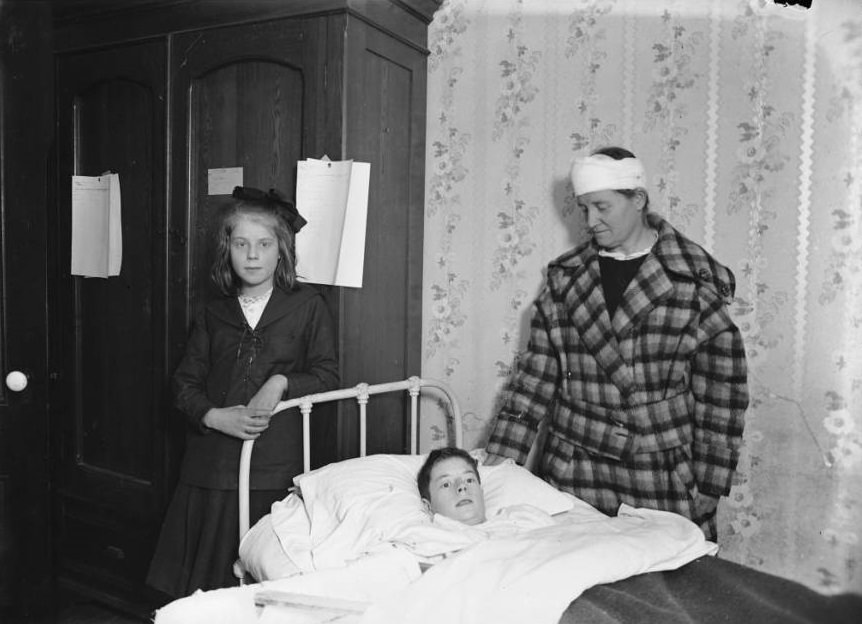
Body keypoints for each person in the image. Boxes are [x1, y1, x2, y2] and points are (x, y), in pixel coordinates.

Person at [485, 147, 749, 541]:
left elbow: (721, 395)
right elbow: (535, 377)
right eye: (583, 208)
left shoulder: (693, 284)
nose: (591, 221)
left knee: (664, 589)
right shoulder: (565, 279)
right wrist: (501, 461)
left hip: (658, 471)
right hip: (572, 466)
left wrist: (709, 484)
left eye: (602, 207)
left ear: (638, 199)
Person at [147, 186, 339, 597]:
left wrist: (280, 382)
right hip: (212, 466)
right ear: (227, 250)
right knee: (208, 587)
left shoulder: (308, 305)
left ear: (281, 250)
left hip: (275, 463)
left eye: (264, 244)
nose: (252, 256)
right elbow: (183, 384)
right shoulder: (213, 312)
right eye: (241, 244)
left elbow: (328, 375)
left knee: (264, 581)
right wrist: (215, 416)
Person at [418, 447, 487, 526]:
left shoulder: (503, 524)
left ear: (481, 493)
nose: (462, 486)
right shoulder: (420, 536)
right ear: (427, 507)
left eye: (469, 480)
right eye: (446, 484)